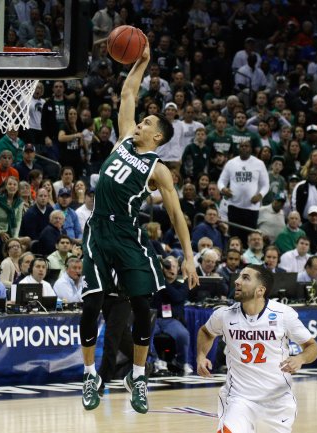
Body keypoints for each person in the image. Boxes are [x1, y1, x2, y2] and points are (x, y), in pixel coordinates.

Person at [79, 38, 198, 414]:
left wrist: (190, 257)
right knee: (91, 305)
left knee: (144, 307)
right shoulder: (121, 142)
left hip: (129, 237)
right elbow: (129, 91)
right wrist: (141, 61)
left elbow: (177, 215)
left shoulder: (158, 169)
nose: (139, 123)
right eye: (140, 120)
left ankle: (138, 376)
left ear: (157, 136)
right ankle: (88, 376)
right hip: (99, 231)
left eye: (146, 123)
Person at [196, 264, 317, 433]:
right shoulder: (224, 315)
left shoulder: (283, 314)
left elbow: (312, 346)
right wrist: (201, 356)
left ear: (260, 290)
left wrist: (300, 358)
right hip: (239, 398)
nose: (237, 281)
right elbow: (205, 331)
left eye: (245, 278)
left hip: (276, 401)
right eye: (239, 276)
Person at [217, 140, 269, 242]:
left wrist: (260, 195)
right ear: (238, 148)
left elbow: (266, 185)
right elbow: (221, 181)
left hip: (252, 208)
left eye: (246, 146)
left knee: (249, 238)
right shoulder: (231, 163)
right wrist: (223, 189)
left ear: (251, 149)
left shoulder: (259, 163)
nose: (244, 148)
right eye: (242, 146)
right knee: (234, 237)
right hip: (234, 206)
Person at [150, 256, 192, 374]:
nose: (171, 269)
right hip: (155, 319)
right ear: (163, 268)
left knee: (183, 334)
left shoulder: (181, 285)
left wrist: (160, 277)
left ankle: (181, 362)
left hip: (172, 321)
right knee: (146, 333)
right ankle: (154, 360)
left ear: (178, 269)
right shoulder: (154, 283)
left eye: (174, 266)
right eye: (168, 266)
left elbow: (176, 297)